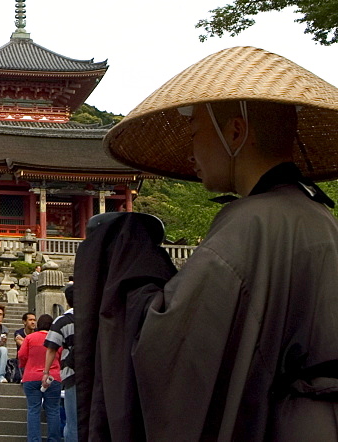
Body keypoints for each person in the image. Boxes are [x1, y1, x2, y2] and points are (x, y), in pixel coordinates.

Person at [81, 46, 338, 441]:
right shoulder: (316, 214)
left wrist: (126, 257)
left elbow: (174, 348)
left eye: (195, 131)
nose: (191, 149)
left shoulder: (251, 222)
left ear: (235, 132)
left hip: (278, 426)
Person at [19, 314, 62, 442]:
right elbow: (61, 354)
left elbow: (21, 355)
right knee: (53, 410)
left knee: (33, 410)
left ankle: (34, 439)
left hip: (31, 376)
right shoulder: (56, 339)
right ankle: (54, 439)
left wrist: (24, 366)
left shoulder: (30, 338)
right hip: (53, 376)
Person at [42, 286, 76, 442]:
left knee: (73, 422)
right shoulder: (96, 316)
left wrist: (46, 372)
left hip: (72, 375)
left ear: (67, 301)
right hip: (98, 375)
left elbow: (51, 349)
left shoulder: (62, 321)